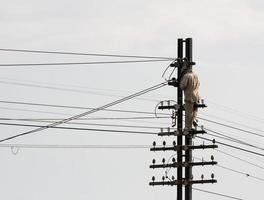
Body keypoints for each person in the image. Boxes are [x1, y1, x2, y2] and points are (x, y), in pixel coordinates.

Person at [180, 58, 201, 131]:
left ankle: (188, 127)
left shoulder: (187, 76)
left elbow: (182, 86)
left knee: (188, 113)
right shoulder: (195, 76)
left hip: (189, 96)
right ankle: (194, 120)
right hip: (197, 96)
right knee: (194, 111)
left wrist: (180, 82)